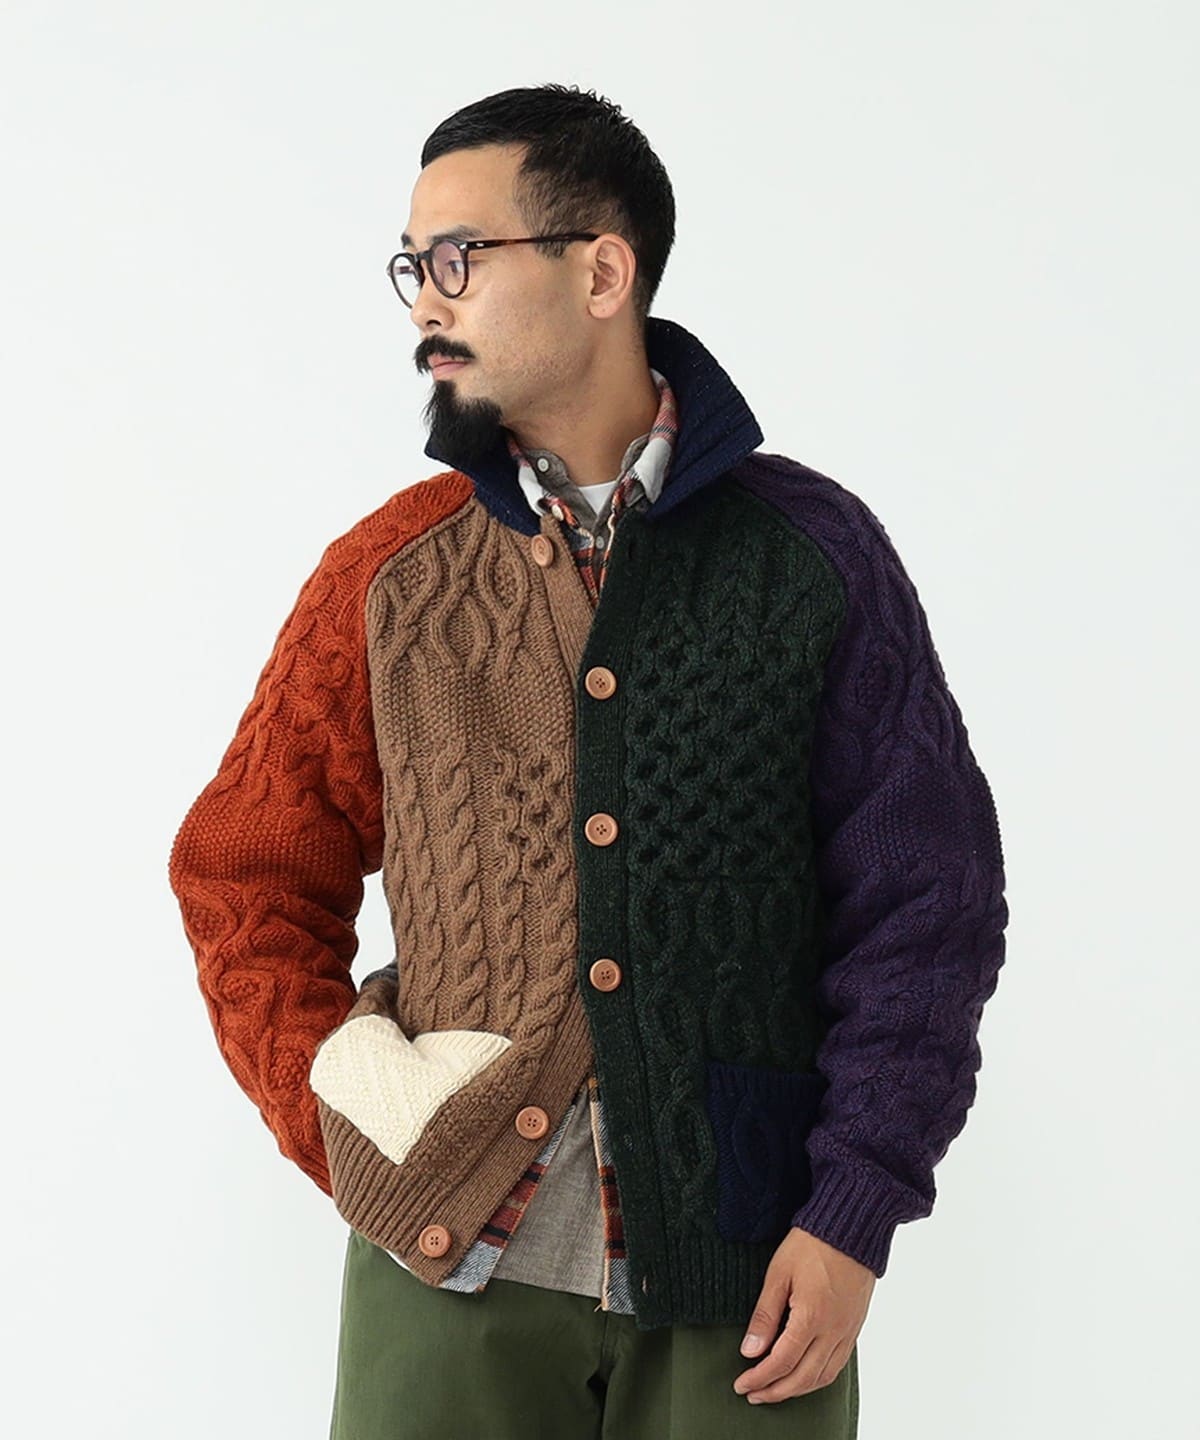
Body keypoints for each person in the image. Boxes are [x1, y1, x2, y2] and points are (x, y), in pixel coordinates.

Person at [168, 83, 1009, 1440]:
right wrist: (348, 1116)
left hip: (752, 1271)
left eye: (458, 258)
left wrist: (856, 1206)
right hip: (444, 1266)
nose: (424, 303)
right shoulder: (389, 576)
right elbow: (244, 868)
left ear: (602, 271)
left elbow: (928, 906)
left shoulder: (810, 557)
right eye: (411, 266)